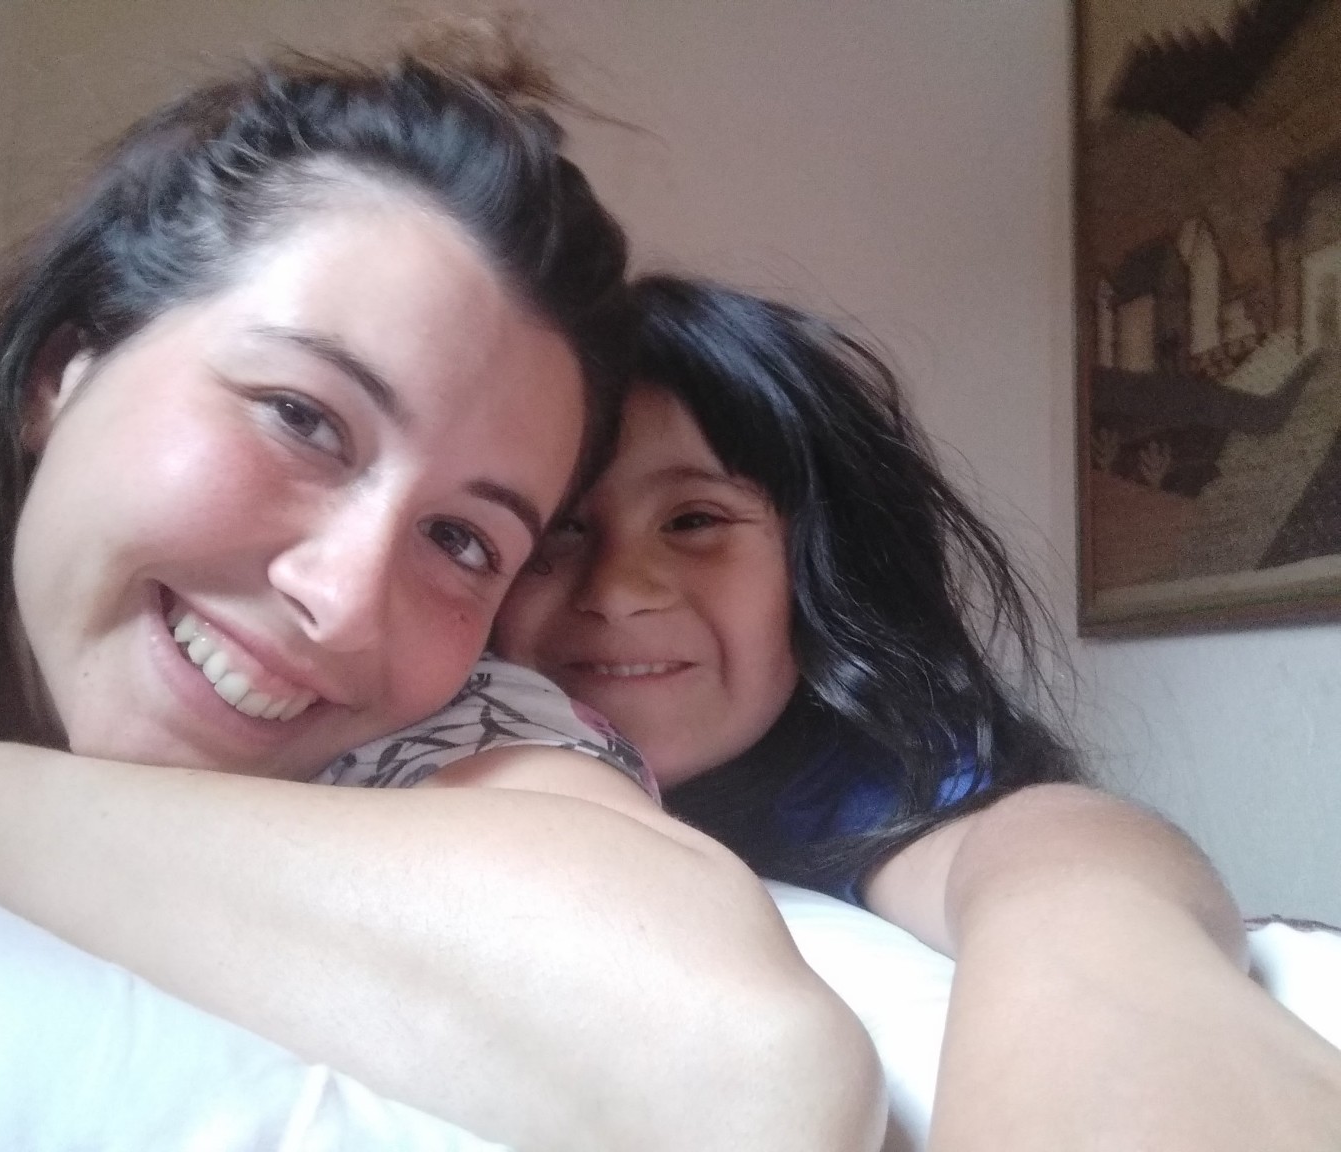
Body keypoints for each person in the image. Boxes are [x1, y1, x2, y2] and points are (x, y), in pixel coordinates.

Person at [0, 42, 883, 1152]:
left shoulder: (450, 733)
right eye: (302, 417)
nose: (347, 601)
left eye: (461, 539)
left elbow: (748, 1073)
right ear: (63, 370)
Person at [494, 274, 1341, 1151]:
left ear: (819, 569)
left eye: (695, 519)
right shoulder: (431, 743)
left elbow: (1027, 841)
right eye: (560, 527)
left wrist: (1098, 952)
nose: (619, 590)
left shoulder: (833, 774)